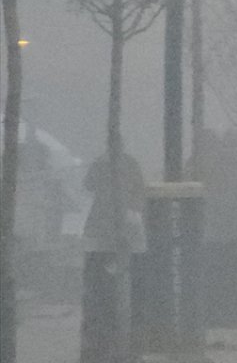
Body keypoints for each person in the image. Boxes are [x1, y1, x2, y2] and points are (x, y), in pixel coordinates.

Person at [190, 129, 237, 326]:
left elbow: (204, 190)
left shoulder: (212, 162)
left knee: (217, 269)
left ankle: (217, 311)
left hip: (213, 227)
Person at [80, 148, 147, 363]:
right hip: (122, 235)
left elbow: (88, 185)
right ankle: (121, 343)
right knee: (125, 291)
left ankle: (99, 343)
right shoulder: (131, 163)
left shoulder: (100, 162)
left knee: (98, 289)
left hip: (100, 235)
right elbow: (140, 191)